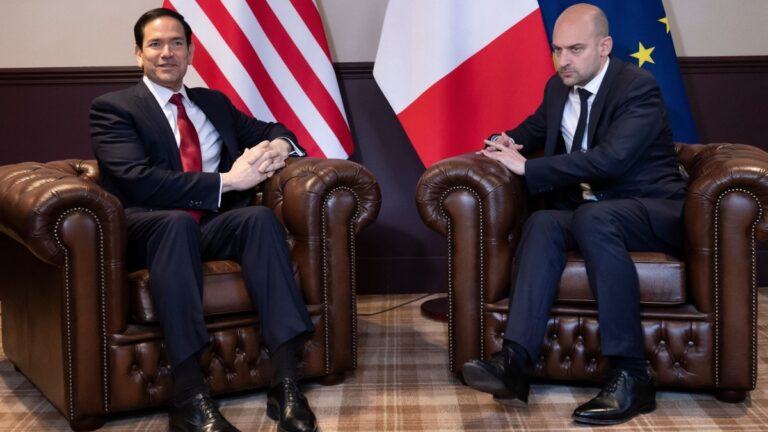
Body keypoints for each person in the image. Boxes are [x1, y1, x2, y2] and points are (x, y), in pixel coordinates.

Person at [91, 8, 317, 432]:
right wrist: (226, 181)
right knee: (176, 223)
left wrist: (282, 146)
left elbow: (274, 128)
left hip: (209, 226)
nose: (166, 53)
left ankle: (286, 384)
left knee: (258, 220)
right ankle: (189, 397)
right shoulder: (114, 109)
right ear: (138, 54)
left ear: (191, 52)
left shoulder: (211, 103)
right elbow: (140, 182)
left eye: (176, 43)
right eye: (155, 45)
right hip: (149, 228)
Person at [462, 3, 687, 426]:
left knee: (591, 217)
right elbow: (531, 132)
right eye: (557, 49)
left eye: (575, 49)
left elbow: (612, 161)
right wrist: (502, 144)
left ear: (603, 47)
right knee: (544, 221)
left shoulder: (637, 87)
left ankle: (631, 375)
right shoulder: (557, 87)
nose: (563, 60)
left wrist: (528, 168)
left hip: (651, 209)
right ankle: (515, 361)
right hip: (593, 213)